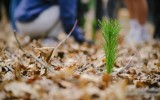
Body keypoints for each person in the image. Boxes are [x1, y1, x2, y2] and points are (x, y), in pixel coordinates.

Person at [12, 0, 86, 44]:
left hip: (20, 23)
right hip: (30, 23)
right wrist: (79, 38)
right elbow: (68, 18)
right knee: (63, 10)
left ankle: (37, 40)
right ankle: (49, 39)